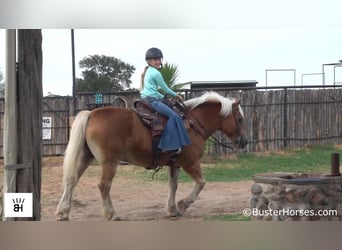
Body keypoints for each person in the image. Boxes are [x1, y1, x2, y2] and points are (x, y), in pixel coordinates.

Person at [140, 47, 191, 155]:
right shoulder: (156, 73)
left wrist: (163, 97)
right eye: (155, 60)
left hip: (147, 98)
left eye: (159, 59)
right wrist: (176, 95)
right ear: (149, 61)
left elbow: (151, 91)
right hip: (152, 101)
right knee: (175, 116)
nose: (158, 61)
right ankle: (168, 146)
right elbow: (165, 88)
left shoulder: (148, 71)